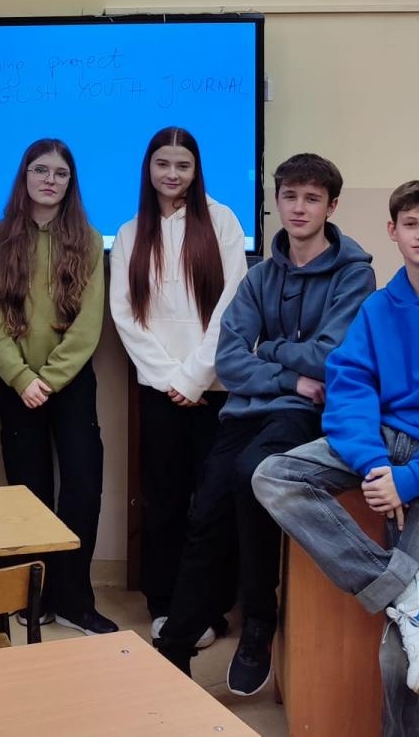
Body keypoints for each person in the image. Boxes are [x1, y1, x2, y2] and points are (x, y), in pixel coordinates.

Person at [251, 180, 419, 737]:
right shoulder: (379, 307)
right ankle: (405, 592)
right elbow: (350, 385)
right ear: (392, 232)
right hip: (384, 447)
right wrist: (375, 463)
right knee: (274, 475)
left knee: (401, 656)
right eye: (411, 225)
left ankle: (409, 608)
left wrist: (411, 480)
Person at [155, 154, 376, 697]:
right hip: (250, 408)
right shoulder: (259, 277)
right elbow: (230, 361)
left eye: (312, 198)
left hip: (307, 414)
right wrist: (289, 375)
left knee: (252, 475)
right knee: (206, 507)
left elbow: (332, 356)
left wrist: (270, 350)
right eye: (290, 196)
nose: (299, 208)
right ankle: (174, 647)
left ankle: (259, 621)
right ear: (276, 202)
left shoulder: (355, 273)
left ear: (331, 206)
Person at [109, 127, 248, 647]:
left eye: (182, 165)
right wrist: (172, 379)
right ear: (149, 168)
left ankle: (207, 609)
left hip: (214, 390)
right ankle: (165, 605)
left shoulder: (223, 221)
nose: (172, 174)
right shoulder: (129, 233)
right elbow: (125, 315)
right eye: (162, 164)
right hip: (160, 391)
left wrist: (194, 376)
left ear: (196, 169)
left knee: (210, 504)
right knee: (163, 502)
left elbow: (233, 307)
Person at [0, 138, 115, 636]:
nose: (50, 180)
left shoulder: (88, 239)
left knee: (82, 486)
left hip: (70, 384)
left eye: (60, 173)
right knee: (29, 491)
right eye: (40, 170)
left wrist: (50, 379)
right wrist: (20, 378)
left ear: (70, 182)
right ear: (25, 176)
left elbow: (88, 325)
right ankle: (35, 599)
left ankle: (75, 600)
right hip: (18, 385)